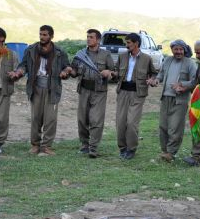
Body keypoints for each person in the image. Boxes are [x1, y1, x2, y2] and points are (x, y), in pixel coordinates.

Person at [9, 25, 72, 156]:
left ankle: (47, 146)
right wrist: (18, 73)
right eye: (40, 34)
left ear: (51, 36)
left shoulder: (60, 52)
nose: (42, 37)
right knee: (36, 117)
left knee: (50, 119)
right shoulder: (31, 50)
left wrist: (65, 72)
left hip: (52, 88)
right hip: (35, 87)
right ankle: (35, 145)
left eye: (45, 35)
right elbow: (24, 65)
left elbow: (67, 67)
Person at [69, 29, 115, 158]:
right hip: (84, 89)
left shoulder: (106, 55)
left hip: (99, 91)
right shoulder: (80, 54)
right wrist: (69, 71)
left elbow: (114, 73)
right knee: (82, 119)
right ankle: (84, 145)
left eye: (91, 37)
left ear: (98, 40)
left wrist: (109, 73)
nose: (88, 39)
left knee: (96, 119)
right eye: (87, 37)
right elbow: (74, 71)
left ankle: (93, 148)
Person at [151, 39, 197, 163]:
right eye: (176, 49)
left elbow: (195, 80)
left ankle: (171, 152)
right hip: (165, 97)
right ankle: (165, 151)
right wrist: (156, 80)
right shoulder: (167, 60)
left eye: (180, 49)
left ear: (184, 50)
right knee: (163, 126)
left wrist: (182, 84)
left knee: (175, 127)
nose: (178, 52)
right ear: (172, 50)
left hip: (180, 100)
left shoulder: (190, 63)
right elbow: (160, 75)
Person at [113, 33, 157, 160]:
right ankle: (122, 148)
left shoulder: (146, 58)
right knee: (120, 122)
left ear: (136, 43)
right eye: (126, 43)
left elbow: (153, 73)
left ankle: (131, 149)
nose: (126, 45)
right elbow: (116, 71)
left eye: (129, 43)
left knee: (131, 123)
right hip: (122, 92)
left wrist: (152, 80)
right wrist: (112, 73)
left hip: (138, 94)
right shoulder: (122, 56)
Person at [0, 27, 19, 155]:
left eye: (1, 42)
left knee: (2, 118)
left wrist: (15, 74)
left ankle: (0, 143)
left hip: (5, 90)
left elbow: (18, 71)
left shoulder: (11, 54)